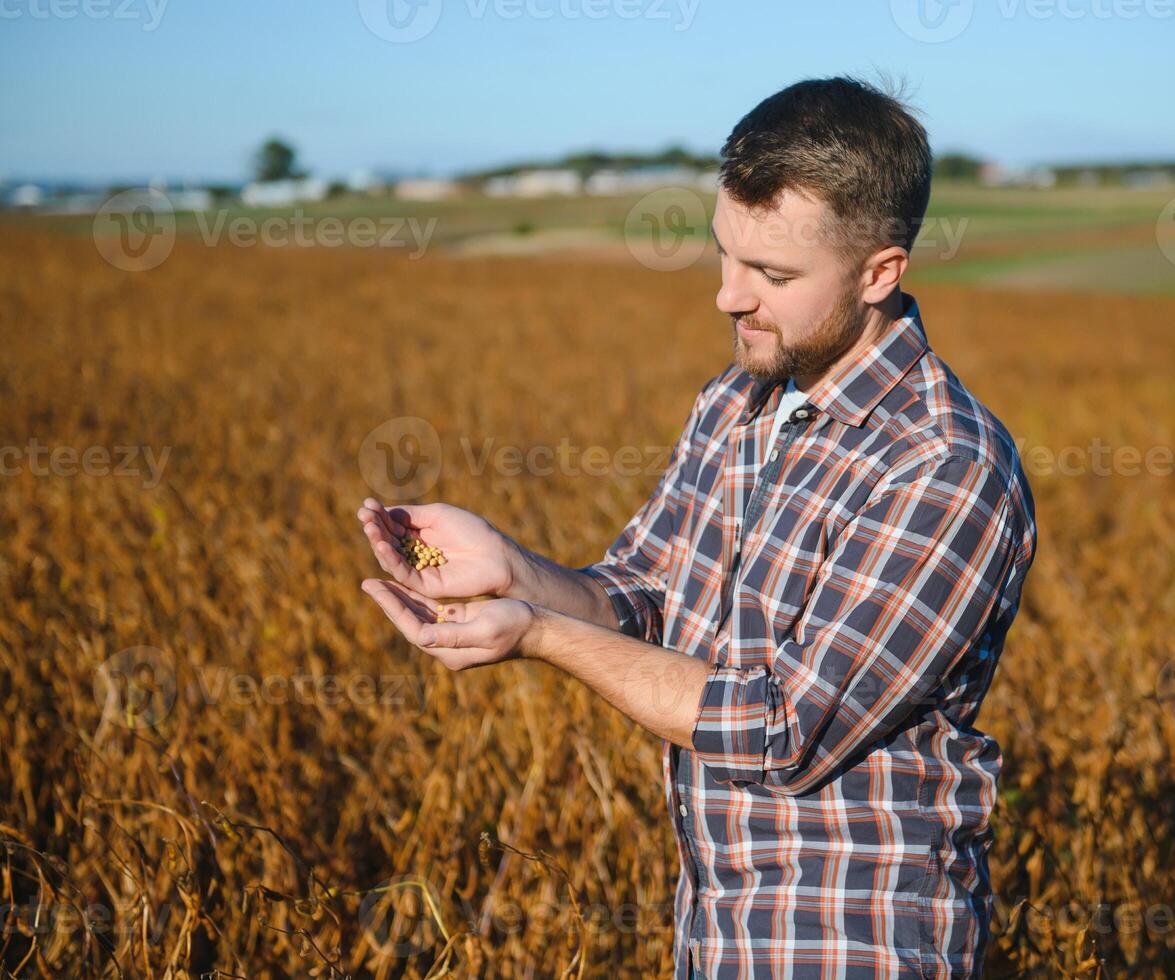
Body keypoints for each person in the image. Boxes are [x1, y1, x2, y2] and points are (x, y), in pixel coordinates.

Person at [357, 74, 1037, 979]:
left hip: (852, 942)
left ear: (881, 271)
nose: (729, 296)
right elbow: (634, 598)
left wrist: (537, 635)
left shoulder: (945, 467)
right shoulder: (735, 404)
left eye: (774, 275)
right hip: (715, 934)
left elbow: (782, 729)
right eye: (724, 254)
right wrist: (508, 573)